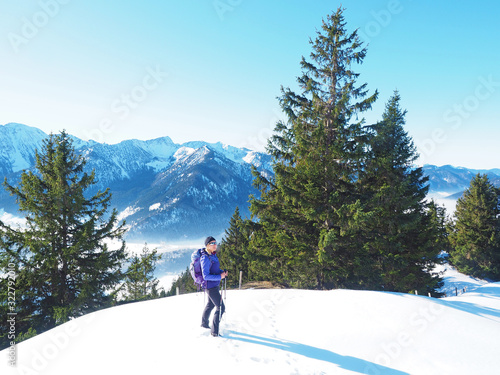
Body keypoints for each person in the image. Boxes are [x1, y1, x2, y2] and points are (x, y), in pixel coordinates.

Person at [200, 236, 227, 337]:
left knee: (210, 304)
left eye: (215, 242)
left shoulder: (213, 255)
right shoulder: (205, 258)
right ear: (207, 245)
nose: (215, 244)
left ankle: (204, 323)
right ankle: (214, 332)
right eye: (212, 243)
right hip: (210, 286)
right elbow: (206, 276)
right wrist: (220, 276)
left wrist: (221, 272)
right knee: (220, 307)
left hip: (214, 285)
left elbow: (214, 270)